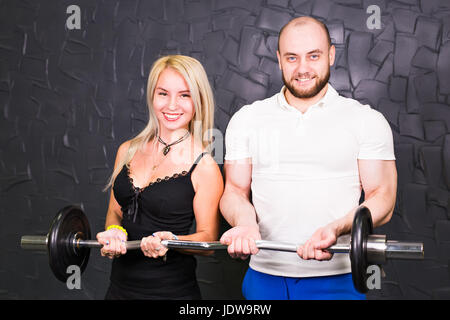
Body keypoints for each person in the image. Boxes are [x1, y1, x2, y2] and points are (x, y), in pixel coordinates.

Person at [219, 16, 397, 300]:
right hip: (264, 277)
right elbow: (234, 192)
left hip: (337, 279)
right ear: (278, 59)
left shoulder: (366, 120)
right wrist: (245, 223)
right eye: (292, 57)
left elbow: (382, 197)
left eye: (313, 56)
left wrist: (336, 229)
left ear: (331, 55)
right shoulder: (247, 119)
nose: (302, 69)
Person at [96, 55, 224, 299]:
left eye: (184, 95)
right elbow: (115, 212)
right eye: (163, 93)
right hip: (119, 290)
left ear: (198, 101)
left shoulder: (204, 165)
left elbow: (208, 241)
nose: (172, 105)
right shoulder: (127, 150)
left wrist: (173, 241)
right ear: (152, 96)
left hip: (171, 293)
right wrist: (114, 231)